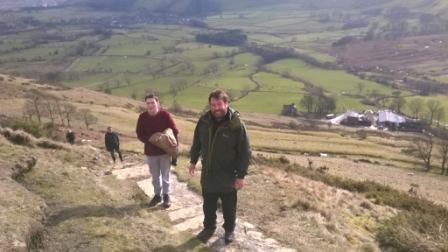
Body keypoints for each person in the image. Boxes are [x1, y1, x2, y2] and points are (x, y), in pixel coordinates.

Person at [189, 89, 251, 244]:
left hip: (228, 175)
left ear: (226, 103)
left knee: (229, 207)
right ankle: (209, 228)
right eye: (213, 104)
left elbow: (245, 152)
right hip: (208, 174)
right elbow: (197, 142)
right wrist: (193, 161)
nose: (216, 108)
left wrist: (241, 176)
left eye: (219, 104)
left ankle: (229, 230)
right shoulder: (203, 121)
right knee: (208, 206)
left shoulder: (236, 125)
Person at [136, 94, 179, 208]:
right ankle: (157, 195)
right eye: (148, 103)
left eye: (152, 103)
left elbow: (174, 130)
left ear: (157, 103)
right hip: (150, 152)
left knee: (165, 176)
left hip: (165, 152)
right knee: (155, 177)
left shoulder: (165, 115)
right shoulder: (142, 117)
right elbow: (140, 134)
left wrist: (173, 147)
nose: (150, 105)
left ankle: (166, 196)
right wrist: (151, 139)